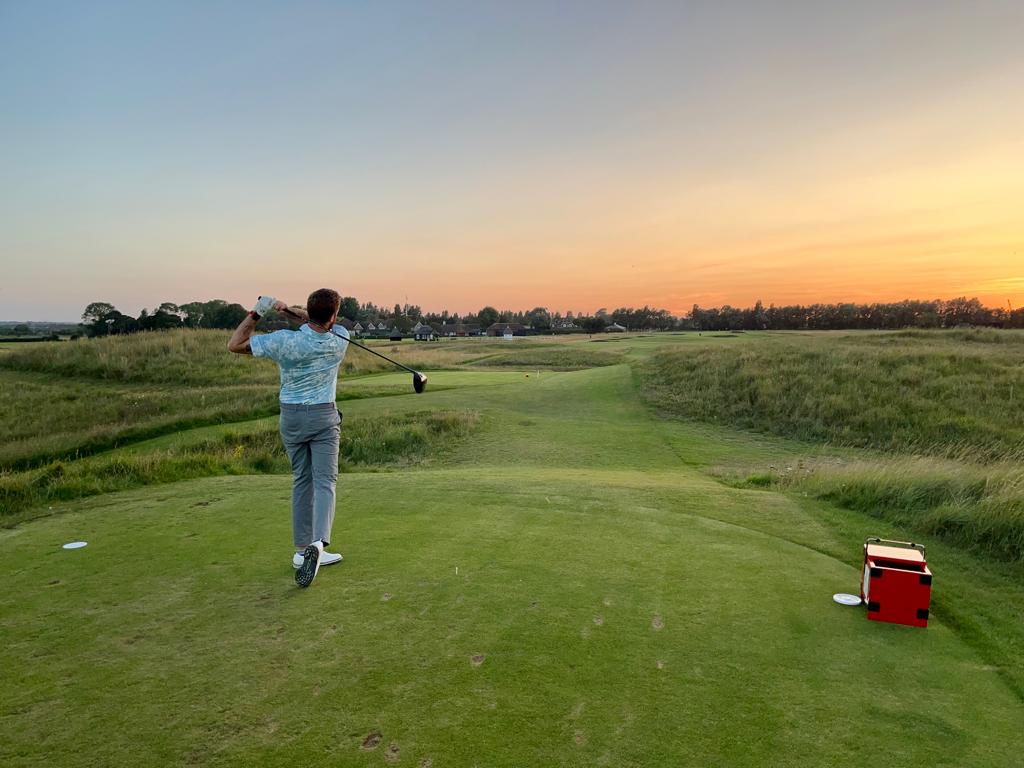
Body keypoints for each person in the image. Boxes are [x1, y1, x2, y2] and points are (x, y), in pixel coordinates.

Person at [227, 289, 350, 587]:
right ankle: (318, 545)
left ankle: (301, 551)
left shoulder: (285, 341)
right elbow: (320, 321)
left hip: (292, 416)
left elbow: (235, 344)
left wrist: (260, 312)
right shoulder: (341, 337)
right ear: (333, 316)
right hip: (323, 416)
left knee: (302, 480)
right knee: (324, 481)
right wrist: (290, 312)